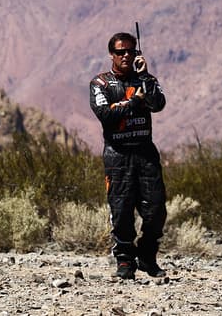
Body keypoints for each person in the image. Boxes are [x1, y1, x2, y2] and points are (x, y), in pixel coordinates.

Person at [89, 30, 168, 279]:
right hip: (117, 154)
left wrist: (144, 77)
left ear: (136, 54)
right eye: (120, 52)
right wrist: (133, 102)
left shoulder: (146, 80)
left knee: (156, 209)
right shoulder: (100, 83)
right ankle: (124, 261)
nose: (125, 56)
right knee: (121, 210)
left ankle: (147, 256)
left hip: (145, 153)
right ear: (111, 54)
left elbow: (158, 104)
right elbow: (105, 114)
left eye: (130, 51)